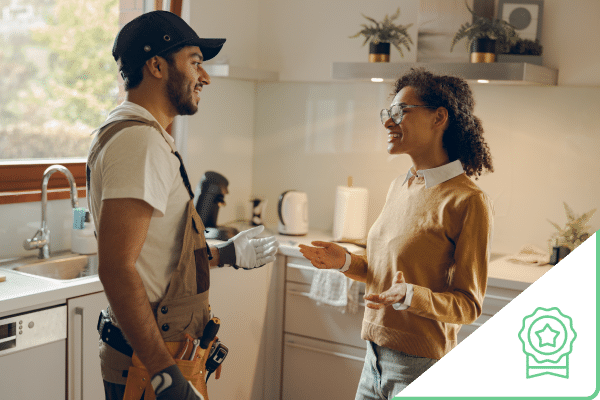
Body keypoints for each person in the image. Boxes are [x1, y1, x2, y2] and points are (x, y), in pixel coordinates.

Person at [86, 11, 279, 400]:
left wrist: (224, 254)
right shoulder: (139, 143)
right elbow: (118, 268)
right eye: (194, 63)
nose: (204, 77)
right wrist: (163, 374)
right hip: (151, 363)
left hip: (168, 353)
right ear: (156, 65)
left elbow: (154, 257)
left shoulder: (138, 136)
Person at [299, 67, 494, 399]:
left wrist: (411, 297)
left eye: (400, 112)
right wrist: (346, 261)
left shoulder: (466, 200)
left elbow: (467, 306)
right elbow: (387, 276)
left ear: (439, 118)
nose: (388, 122)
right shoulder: (401, 185)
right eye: (387, 113)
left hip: (421, 366)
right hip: (373, 358)